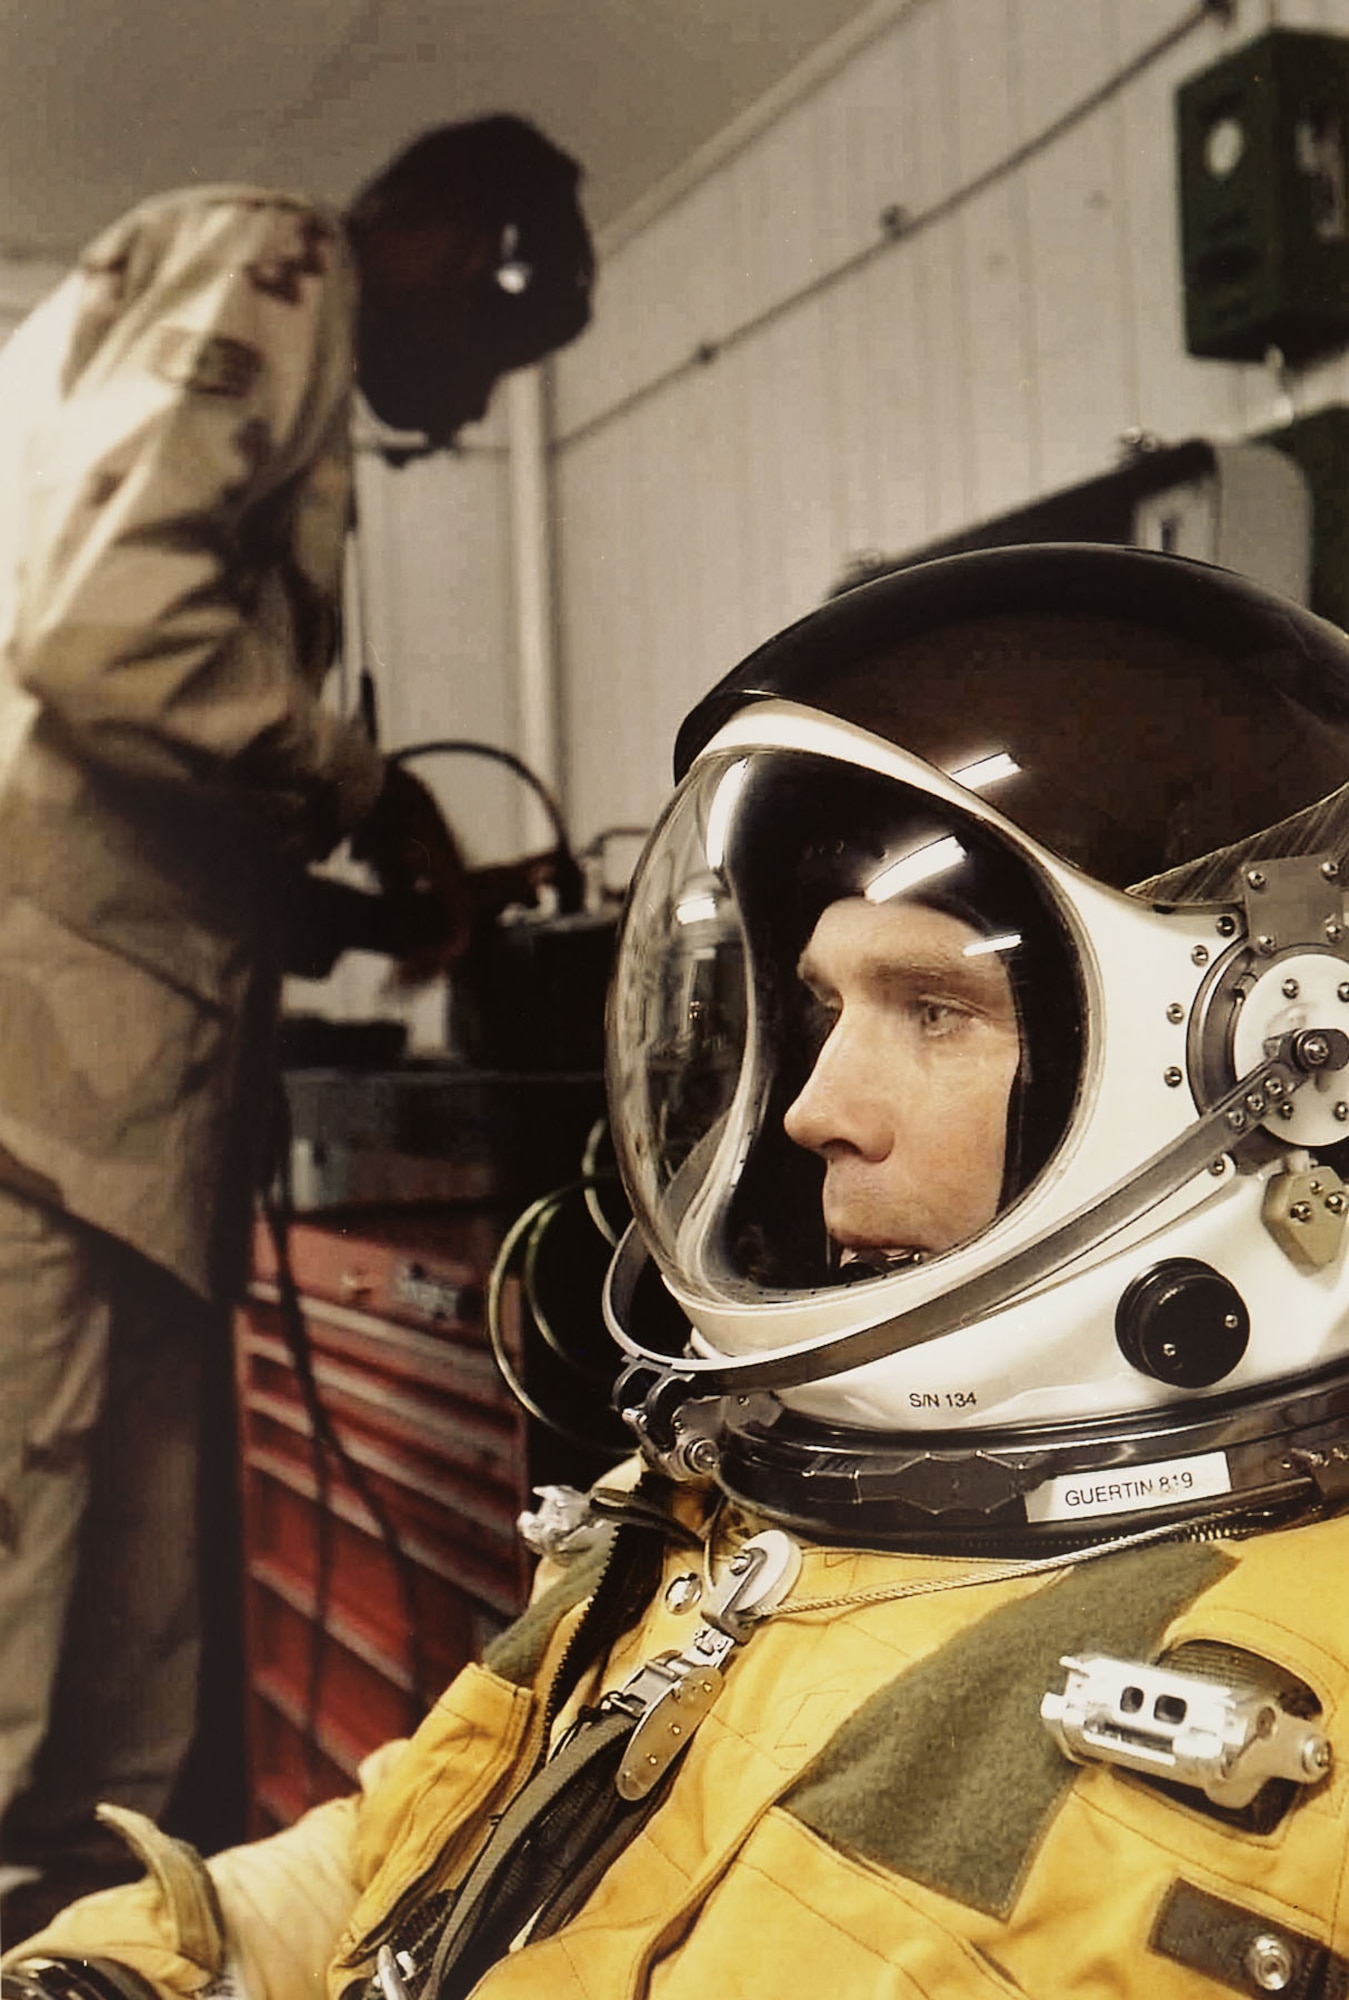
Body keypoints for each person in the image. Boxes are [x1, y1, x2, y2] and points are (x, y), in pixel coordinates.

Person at [12, 540, 1349, 1994]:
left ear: (1272, 1060)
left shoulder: (1245, 1748)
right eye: (826, 1007)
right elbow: (423, 1845)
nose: (814, 1109)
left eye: (935, 1012)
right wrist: (129, 1962)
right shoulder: (730, 1511)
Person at [0, 114, 593, 1935]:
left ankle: (89, 1950)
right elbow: (107, 636)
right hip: (49, 1091)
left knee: (126, 1650)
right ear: (447, 238)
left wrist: (351, 906)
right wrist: (368, 790)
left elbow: (120, 791)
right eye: (492, 348)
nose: (459, 407)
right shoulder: (276, 254)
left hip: (109, 1090)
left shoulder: (207, 317)